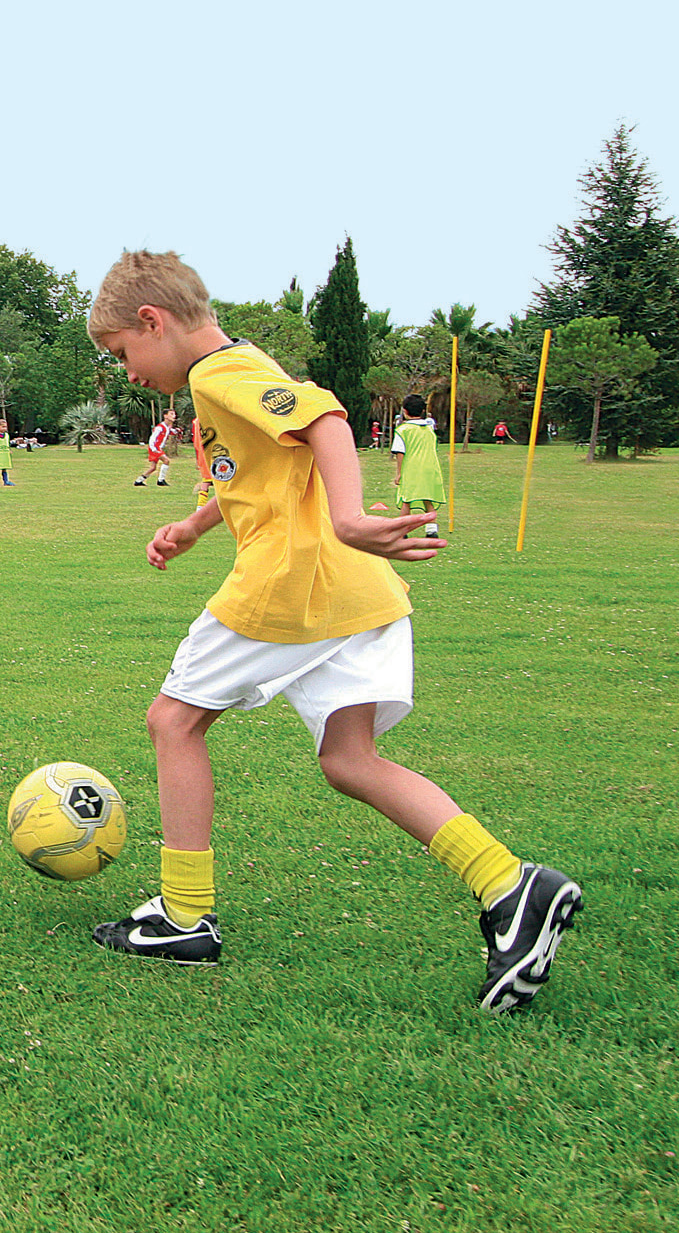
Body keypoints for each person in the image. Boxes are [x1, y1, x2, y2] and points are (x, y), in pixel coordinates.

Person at [83, 250, 580, 1012]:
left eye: (122, 353)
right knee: (351, 760)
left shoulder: (218, 373)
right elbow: (260, 472)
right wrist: (192, 524)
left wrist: (350, 519)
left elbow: (324, 418)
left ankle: (183, 917)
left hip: (294, 583)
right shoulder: (240, 364)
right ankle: (511, 886)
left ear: (152, 321)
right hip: (356, 593)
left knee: (173, 721)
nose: (126, 372)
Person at [390, 394, 446, 538]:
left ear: (405, 411)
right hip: (430, 468)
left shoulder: (403, 431)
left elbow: (400, 453)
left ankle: (402, 531)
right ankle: (431, 530)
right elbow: (429, 421)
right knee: (428, 499)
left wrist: (399, 473)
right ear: (422, 411)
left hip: (412, 470)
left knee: (406, 500)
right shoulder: (429, 427)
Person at [133, 408, 177, 486]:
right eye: (171, 414)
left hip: (157, 448)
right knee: (166, 461)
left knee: (153, 468)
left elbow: (168, 432)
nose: (174, 416)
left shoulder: (167, 427)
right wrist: (154, 448)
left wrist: (176, 431)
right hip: (155, 448)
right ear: (165, 416)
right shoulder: (160, 427)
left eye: (174, 414)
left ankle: (139, 481)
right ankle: (161, 480)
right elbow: (152, 438)